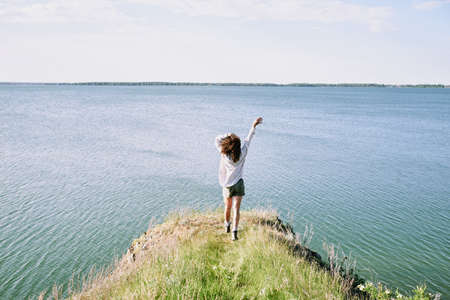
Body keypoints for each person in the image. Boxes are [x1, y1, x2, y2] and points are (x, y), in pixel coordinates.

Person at [215, 117, 263, 241]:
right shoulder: (243, 153)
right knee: (236, 209)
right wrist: (253, 126)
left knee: (228, 207)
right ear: (238, 146)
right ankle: (234, 233)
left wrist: (228, 134)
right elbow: (249, 139)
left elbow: (217, 139)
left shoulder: (224, 154)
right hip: (239, 184)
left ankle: (227, 225)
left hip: (227, 185)